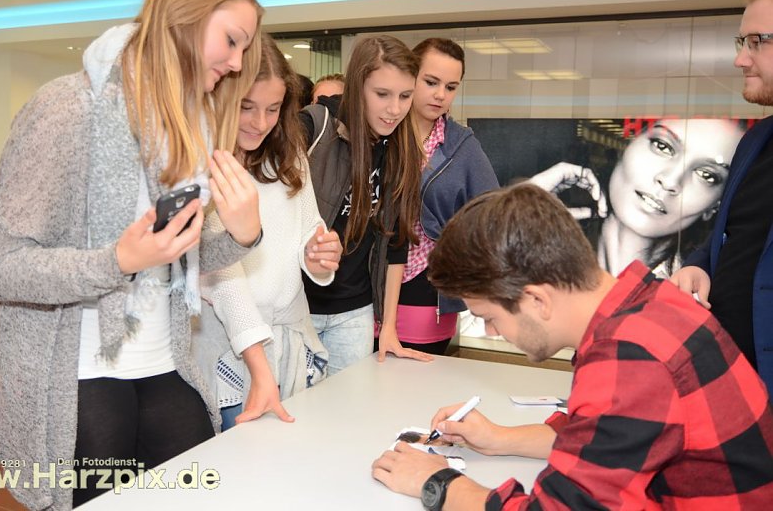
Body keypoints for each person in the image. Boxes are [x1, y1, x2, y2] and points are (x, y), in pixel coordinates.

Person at [0, 0, 268, 509]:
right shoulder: (67, 107)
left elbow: (176, 255)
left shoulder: (191, 126)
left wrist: (243, 234)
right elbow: (2, 269)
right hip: (74, 375)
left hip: (164, 360)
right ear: (184, 16)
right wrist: (115, 261)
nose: (235, 63)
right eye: (231, 41)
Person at [372, 184, 773, 509]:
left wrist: (439, 483)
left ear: (537, 300)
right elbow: (605, 437)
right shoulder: (648, 302)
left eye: (490, 316)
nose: (492, 333)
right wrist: (500, 438)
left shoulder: (632, 359)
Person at [194, 34, 343, 430]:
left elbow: (308, 228)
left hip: (291, 338)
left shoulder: (289, 155)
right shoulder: (202, 166)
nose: (260, 123)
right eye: (247, 107)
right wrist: (260, 368)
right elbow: (222, 276)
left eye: (273, 109)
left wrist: (318, 255)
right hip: (231, 347)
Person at [672, 0, 773, 392]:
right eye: (741, 42)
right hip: (738, 388)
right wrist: (699, 263)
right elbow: (737, 237)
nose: (741, 59)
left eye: (757, 41)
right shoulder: (755, 141)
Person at [300, 35, 424, 374]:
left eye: (405, 96)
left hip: (355, 311)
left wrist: (389, 326)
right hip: (298, 307)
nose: (395, 109)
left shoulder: (401, 149)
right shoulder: (314, 126)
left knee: (349, 403)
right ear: (358, 86)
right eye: (382, 94)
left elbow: (396, 244)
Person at [376, 38, 498, 359]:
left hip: (428, 286)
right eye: (431, 82)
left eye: (451, 87)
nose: (441, 94)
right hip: (369, 282)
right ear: (410, 77)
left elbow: (491, 214)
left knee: (421, 377)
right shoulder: (382, 133)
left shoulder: (462, 145)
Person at [530, 117, 743, 278]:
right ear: (624, 148)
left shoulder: (697, 297)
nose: (670, 181)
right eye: (662, 146)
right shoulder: (542, 255)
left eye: (707, 175)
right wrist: (521, 213)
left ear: (714, 206)